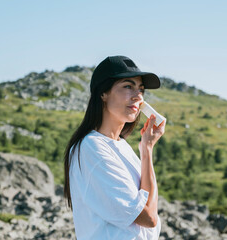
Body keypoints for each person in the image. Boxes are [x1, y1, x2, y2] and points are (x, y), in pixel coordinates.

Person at [63, 55, 165, 239]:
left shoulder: (121, 146)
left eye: (141, 89)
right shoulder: (92, 148)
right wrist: (147, 151)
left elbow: (148, 216)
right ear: (103, 93)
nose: (138, 96)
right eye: (128, 86)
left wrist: (146, 148)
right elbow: (149, 217)